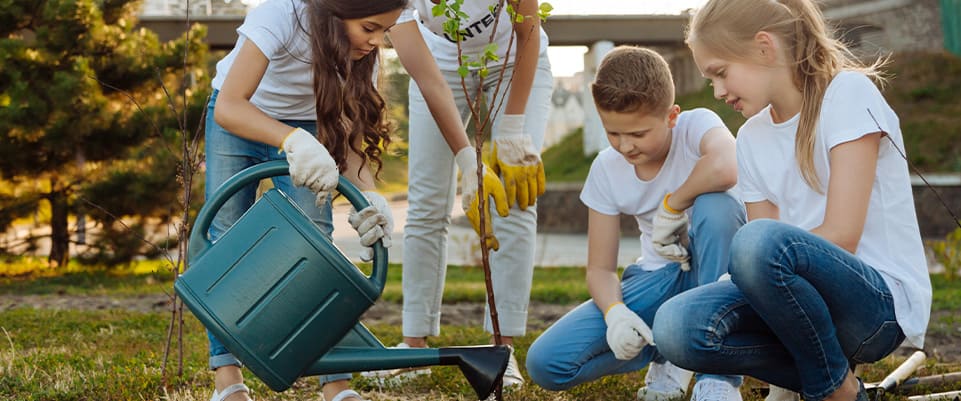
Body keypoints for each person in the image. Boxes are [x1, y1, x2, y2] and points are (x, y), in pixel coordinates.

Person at [652, 1, 933, 401]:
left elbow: (843, 235)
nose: (717, 91)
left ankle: (827, 389)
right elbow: (762, 262)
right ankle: (841, 387)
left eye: (721, 73)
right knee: (676, 326)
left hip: (876, 307)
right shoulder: (750, 137)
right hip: (797, 305)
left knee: (754, 244)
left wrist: (752, 264)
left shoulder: (848, 94)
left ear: (764, 47)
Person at [203, 0, 406, 400]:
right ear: (337, 12)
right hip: (240, 119)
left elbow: (348, 140)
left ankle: (336, 384)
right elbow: (229, 106)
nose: (377, 41)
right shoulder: (280, 14)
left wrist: (369, 196)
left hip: (312, 125)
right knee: (226, 239)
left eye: (385, 31)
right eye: (369, 28)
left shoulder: (363, 58)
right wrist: (290, 139)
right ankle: (228, 378)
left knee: (315, 246)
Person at [524, 46, 746, 401]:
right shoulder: (606, 169)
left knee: (716, 205)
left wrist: (673, 206)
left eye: (639, 134)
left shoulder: (696, 126)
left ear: (671, 116)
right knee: (546, 363)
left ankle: (716, 378)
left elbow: (727, 165)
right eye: (613, 133)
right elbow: (599, 269)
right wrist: (615, 315)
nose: (625, 146)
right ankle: (668, 350)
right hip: (659, 279)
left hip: (716, 274)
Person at [366, 0, 554, 388]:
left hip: (513, 58)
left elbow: (528, 32)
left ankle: (502, 348)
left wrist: (514, 129)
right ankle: (414, 346)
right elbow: (429, 78)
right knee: (426, 202)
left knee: (516, 199)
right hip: (439, 62)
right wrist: (468, 162)